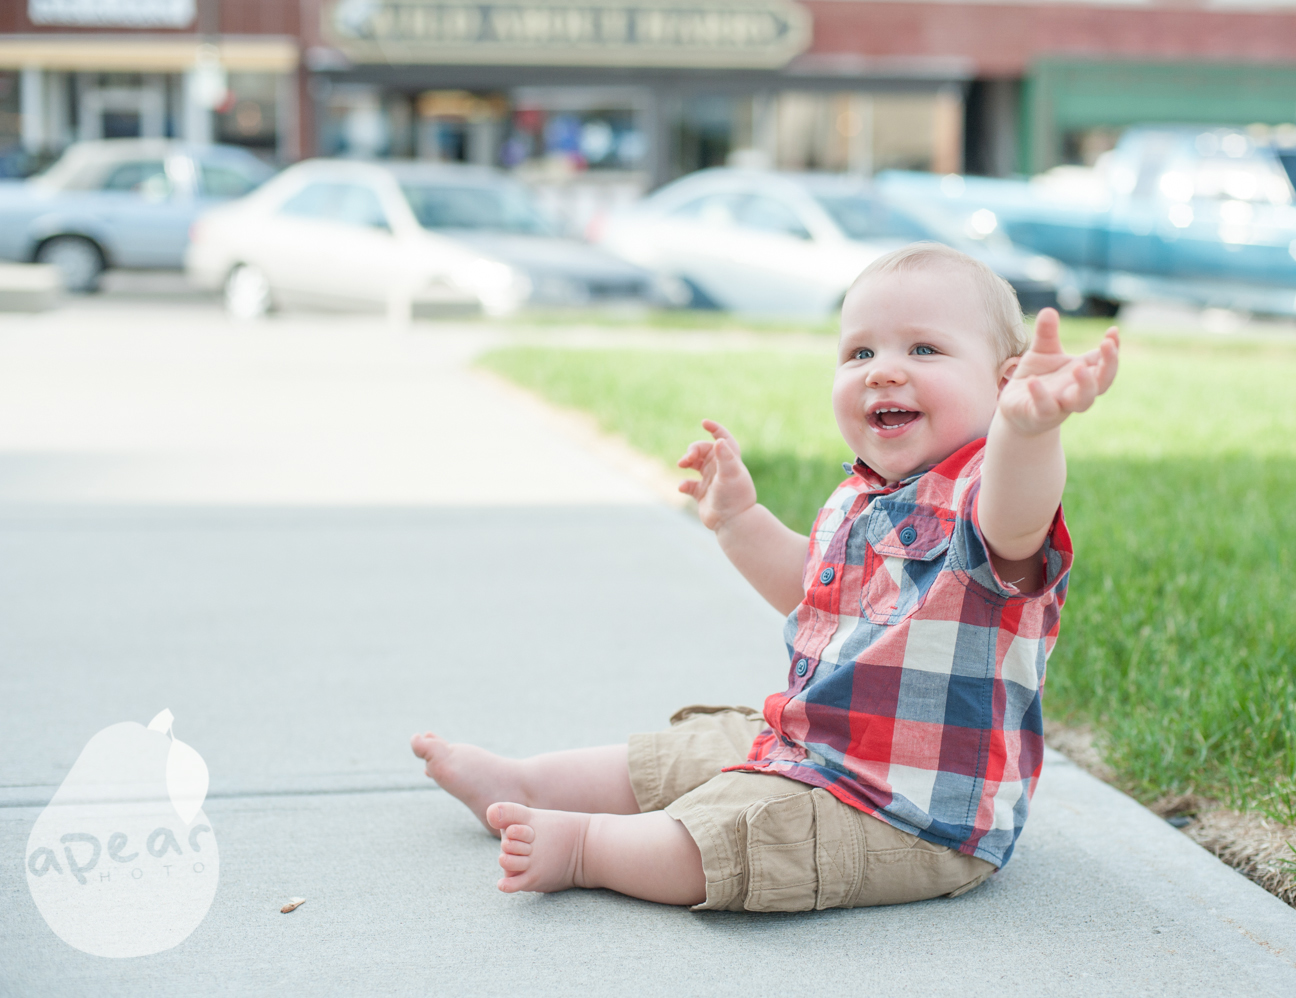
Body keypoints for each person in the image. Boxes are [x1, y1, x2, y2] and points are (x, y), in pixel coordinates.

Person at [412, 242, 1120, 911]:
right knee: (698, 750)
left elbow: (1019, 512)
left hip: (910, 811)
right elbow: (813, 600)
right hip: (815, 746)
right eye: (860, 352)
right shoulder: (863, 496)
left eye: (924, 349)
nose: (882, 370)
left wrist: (1029, 432)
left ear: (1005, 383)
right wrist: (739, 520)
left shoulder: (985, 498)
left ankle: (586, 849)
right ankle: (525, 783)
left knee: (756, 828)